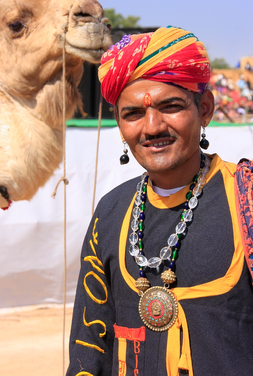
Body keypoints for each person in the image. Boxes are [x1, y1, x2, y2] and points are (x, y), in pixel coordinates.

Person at [66, 26, 253, 376]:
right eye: (133, 114)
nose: (152, 127)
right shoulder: (111, 211)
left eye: (170, 107)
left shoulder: (246, 199)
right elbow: (88, 345)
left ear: (206, 108)